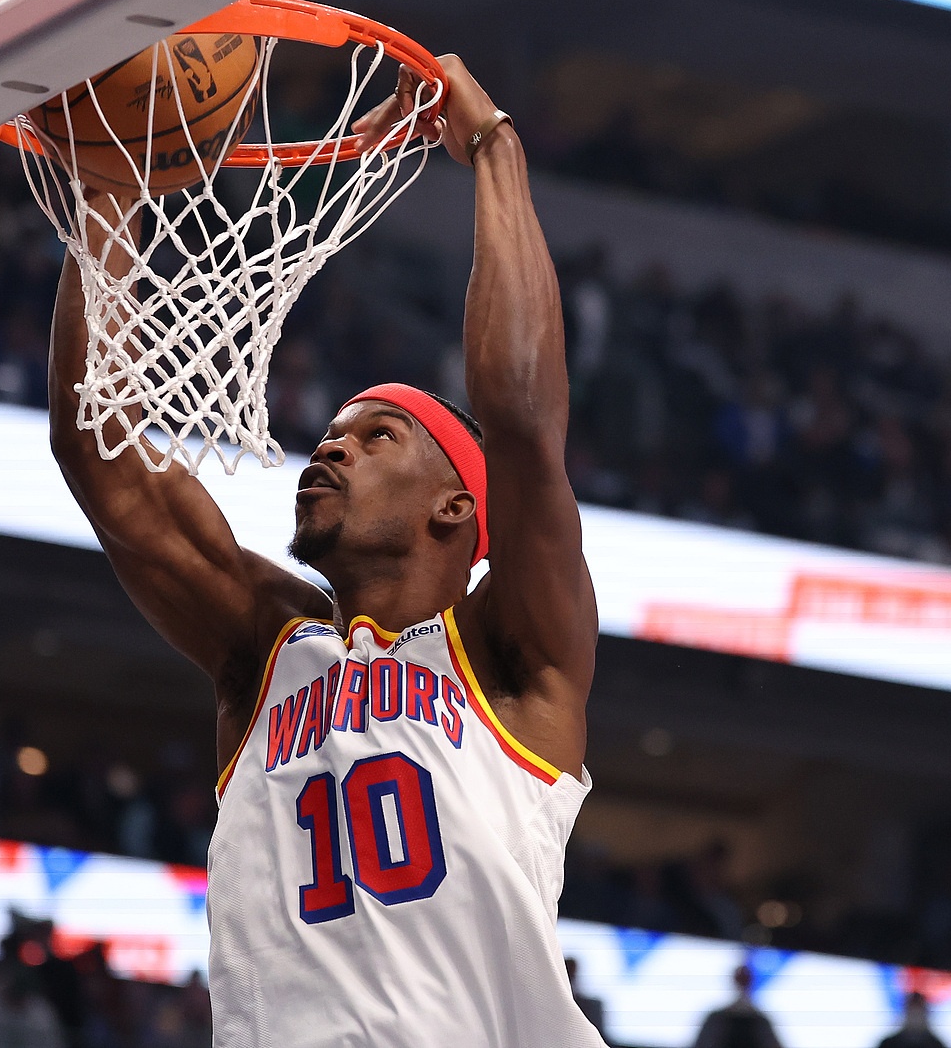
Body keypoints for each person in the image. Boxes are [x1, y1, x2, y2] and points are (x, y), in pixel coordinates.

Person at [48, 56, 604, 1047]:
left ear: (455, 506)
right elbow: (102, 454)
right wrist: (113, 184)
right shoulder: (268, 648)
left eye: (376, 436)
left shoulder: (509, 657)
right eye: (333, 434)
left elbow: (521, 419)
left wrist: (492, 148)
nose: (331, 448)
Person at [692, 965, 782, 1048]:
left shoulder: (761, 1021)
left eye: (744, 978)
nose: (742, 983)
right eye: (741, 978)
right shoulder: (716, 1018)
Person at [875, 993, 947, 1048]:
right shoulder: (888, 1044)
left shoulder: (937, 1045)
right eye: (912, 1012)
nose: (915, 1017)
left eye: (918, 1012)